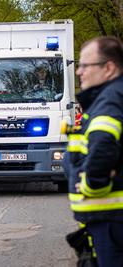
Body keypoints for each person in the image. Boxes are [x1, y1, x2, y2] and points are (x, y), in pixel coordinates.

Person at [65, 36, 123, 267]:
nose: (79, 72)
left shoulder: (110, 98)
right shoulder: (108, 96)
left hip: (111, 217)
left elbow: (103, 141)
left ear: (108, 68)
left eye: (85, 66)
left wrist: (91, 184)